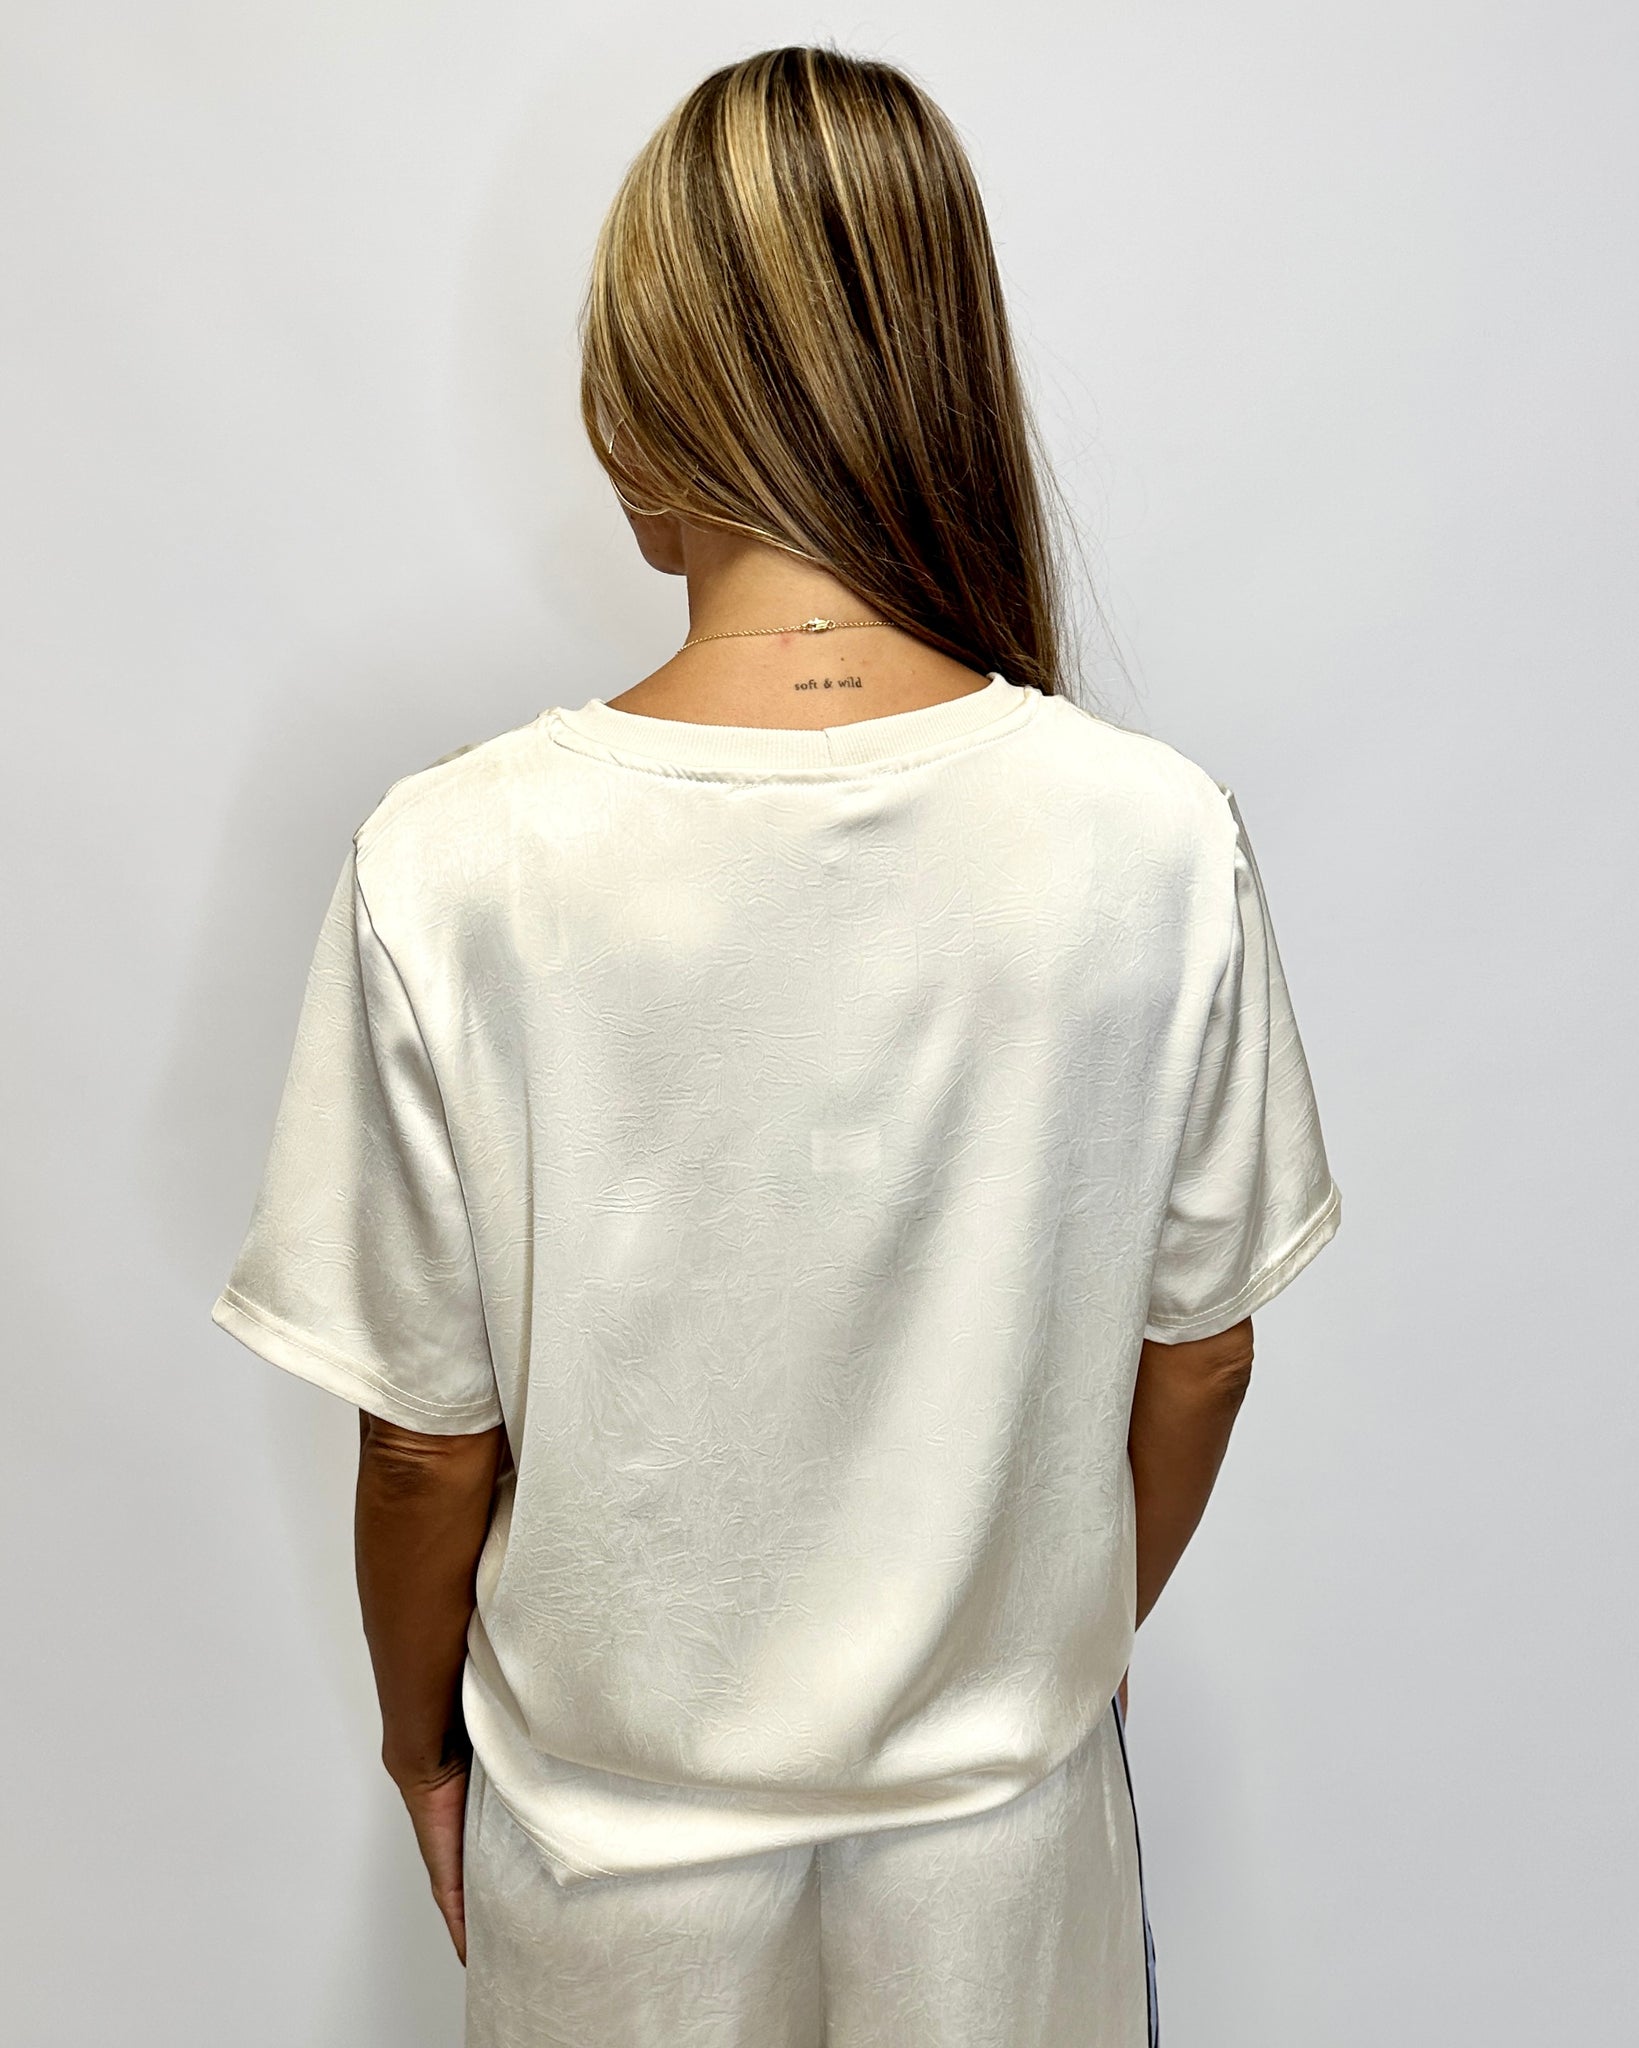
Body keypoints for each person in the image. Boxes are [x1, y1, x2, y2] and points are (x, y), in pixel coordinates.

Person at [209, 43, 1342, 2048]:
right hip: (1007, 1871)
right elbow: (1204, 1356)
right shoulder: (1153, 838)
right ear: (943, 381)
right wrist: (1066, 1641)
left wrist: (416, 1740)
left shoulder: (453, 862)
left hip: (614, 1892)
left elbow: (420, 1446)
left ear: (639, 409)